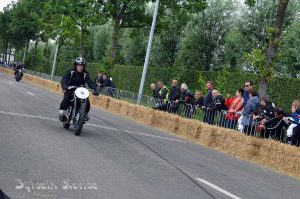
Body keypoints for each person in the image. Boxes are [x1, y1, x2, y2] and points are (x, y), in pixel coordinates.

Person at [59, 57, 97, 122]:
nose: (80, 67)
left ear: (84, 67)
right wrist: (65, 86)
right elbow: (64, 79)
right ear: (76, 66)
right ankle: (62, 112)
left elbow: (90, 82)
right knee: (66, 99)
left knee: (87, 101)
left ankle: (84, 114)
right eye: (79, 65)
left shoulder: (85, 73)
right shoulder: (71, 72)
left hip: (81, 89)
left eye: (82, 66)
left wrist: (95, 89)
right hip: (71, 88)